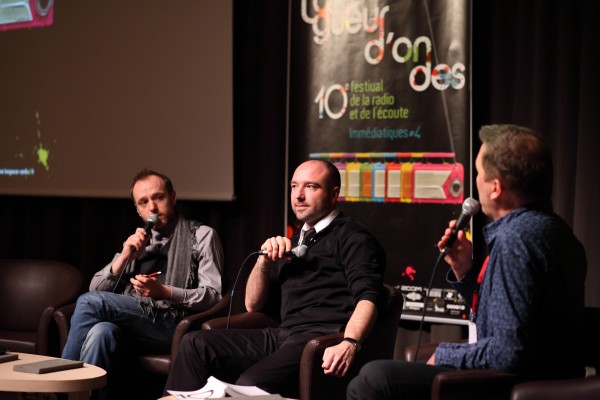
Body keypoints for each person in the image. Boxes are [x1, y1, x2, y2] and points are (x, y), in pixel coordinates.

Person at [347, 124, 588, 400]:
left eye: (478, 173)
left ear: (495, 188)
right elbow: (510, 319)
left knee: (373, 380)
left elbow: (510, 352)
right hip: (542, 375)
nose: (476, 182)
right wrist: (465, 269)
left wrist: (446, 354)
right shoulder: (557, 231)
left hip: (518, 384)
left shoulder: (515, 240)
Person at [163, 159, 386, 398]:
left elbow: (368, 297)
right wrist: (264, 260)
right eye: (294, 186)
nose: (299, 195)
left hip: (318, 339)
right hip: (282, 335)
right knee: (195, 344)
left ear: (333, 194)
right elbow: (253, 304)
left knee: (250, 384)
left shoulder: (353, 236)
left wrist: (350, 342)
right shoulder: (296, 240)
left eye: (311, 186)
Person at [62, 168, 224, 400]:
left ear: (173, 198)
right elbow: (95, 288)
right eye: (144, 202)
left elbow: (213, 295)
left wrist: (165, 292)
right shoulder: (137, 242)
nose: (152, 208)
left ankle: (59, 388)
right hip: (134, 323)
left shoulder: (202, 235)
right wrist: (125, 256)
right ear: (138, 210)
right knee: (100, 332)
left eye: (159, 197)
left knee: (90, 304)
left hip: (173, 324)